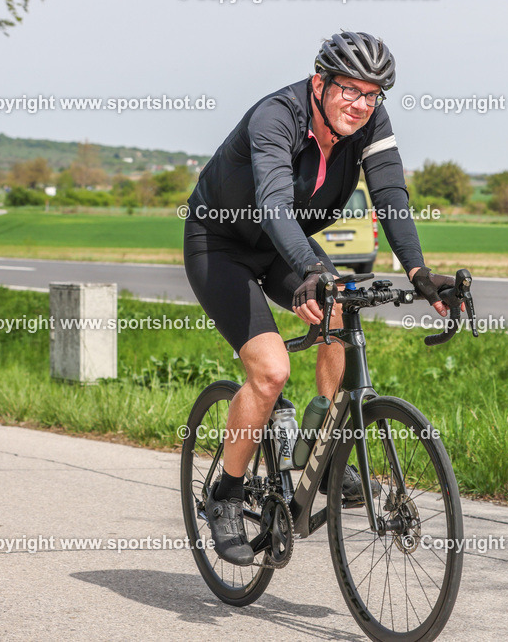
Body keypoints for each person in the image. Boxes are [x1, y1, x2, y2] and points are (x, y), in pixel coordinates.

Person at [183, 31, 457, 565]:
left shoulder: (370, 124)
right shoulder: (276, 118)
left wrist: (420, 271)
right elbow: (273, 203)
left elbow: (391, 196)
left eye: (372, 94)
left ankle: (324, 452)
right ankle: (227, 495)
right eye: (348, 90)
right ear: (319, 83)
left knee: (339, 307)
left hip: (285, 247)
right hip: (222, 243)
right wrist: (310, 268)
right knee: (270, 372)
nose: (360, 104)